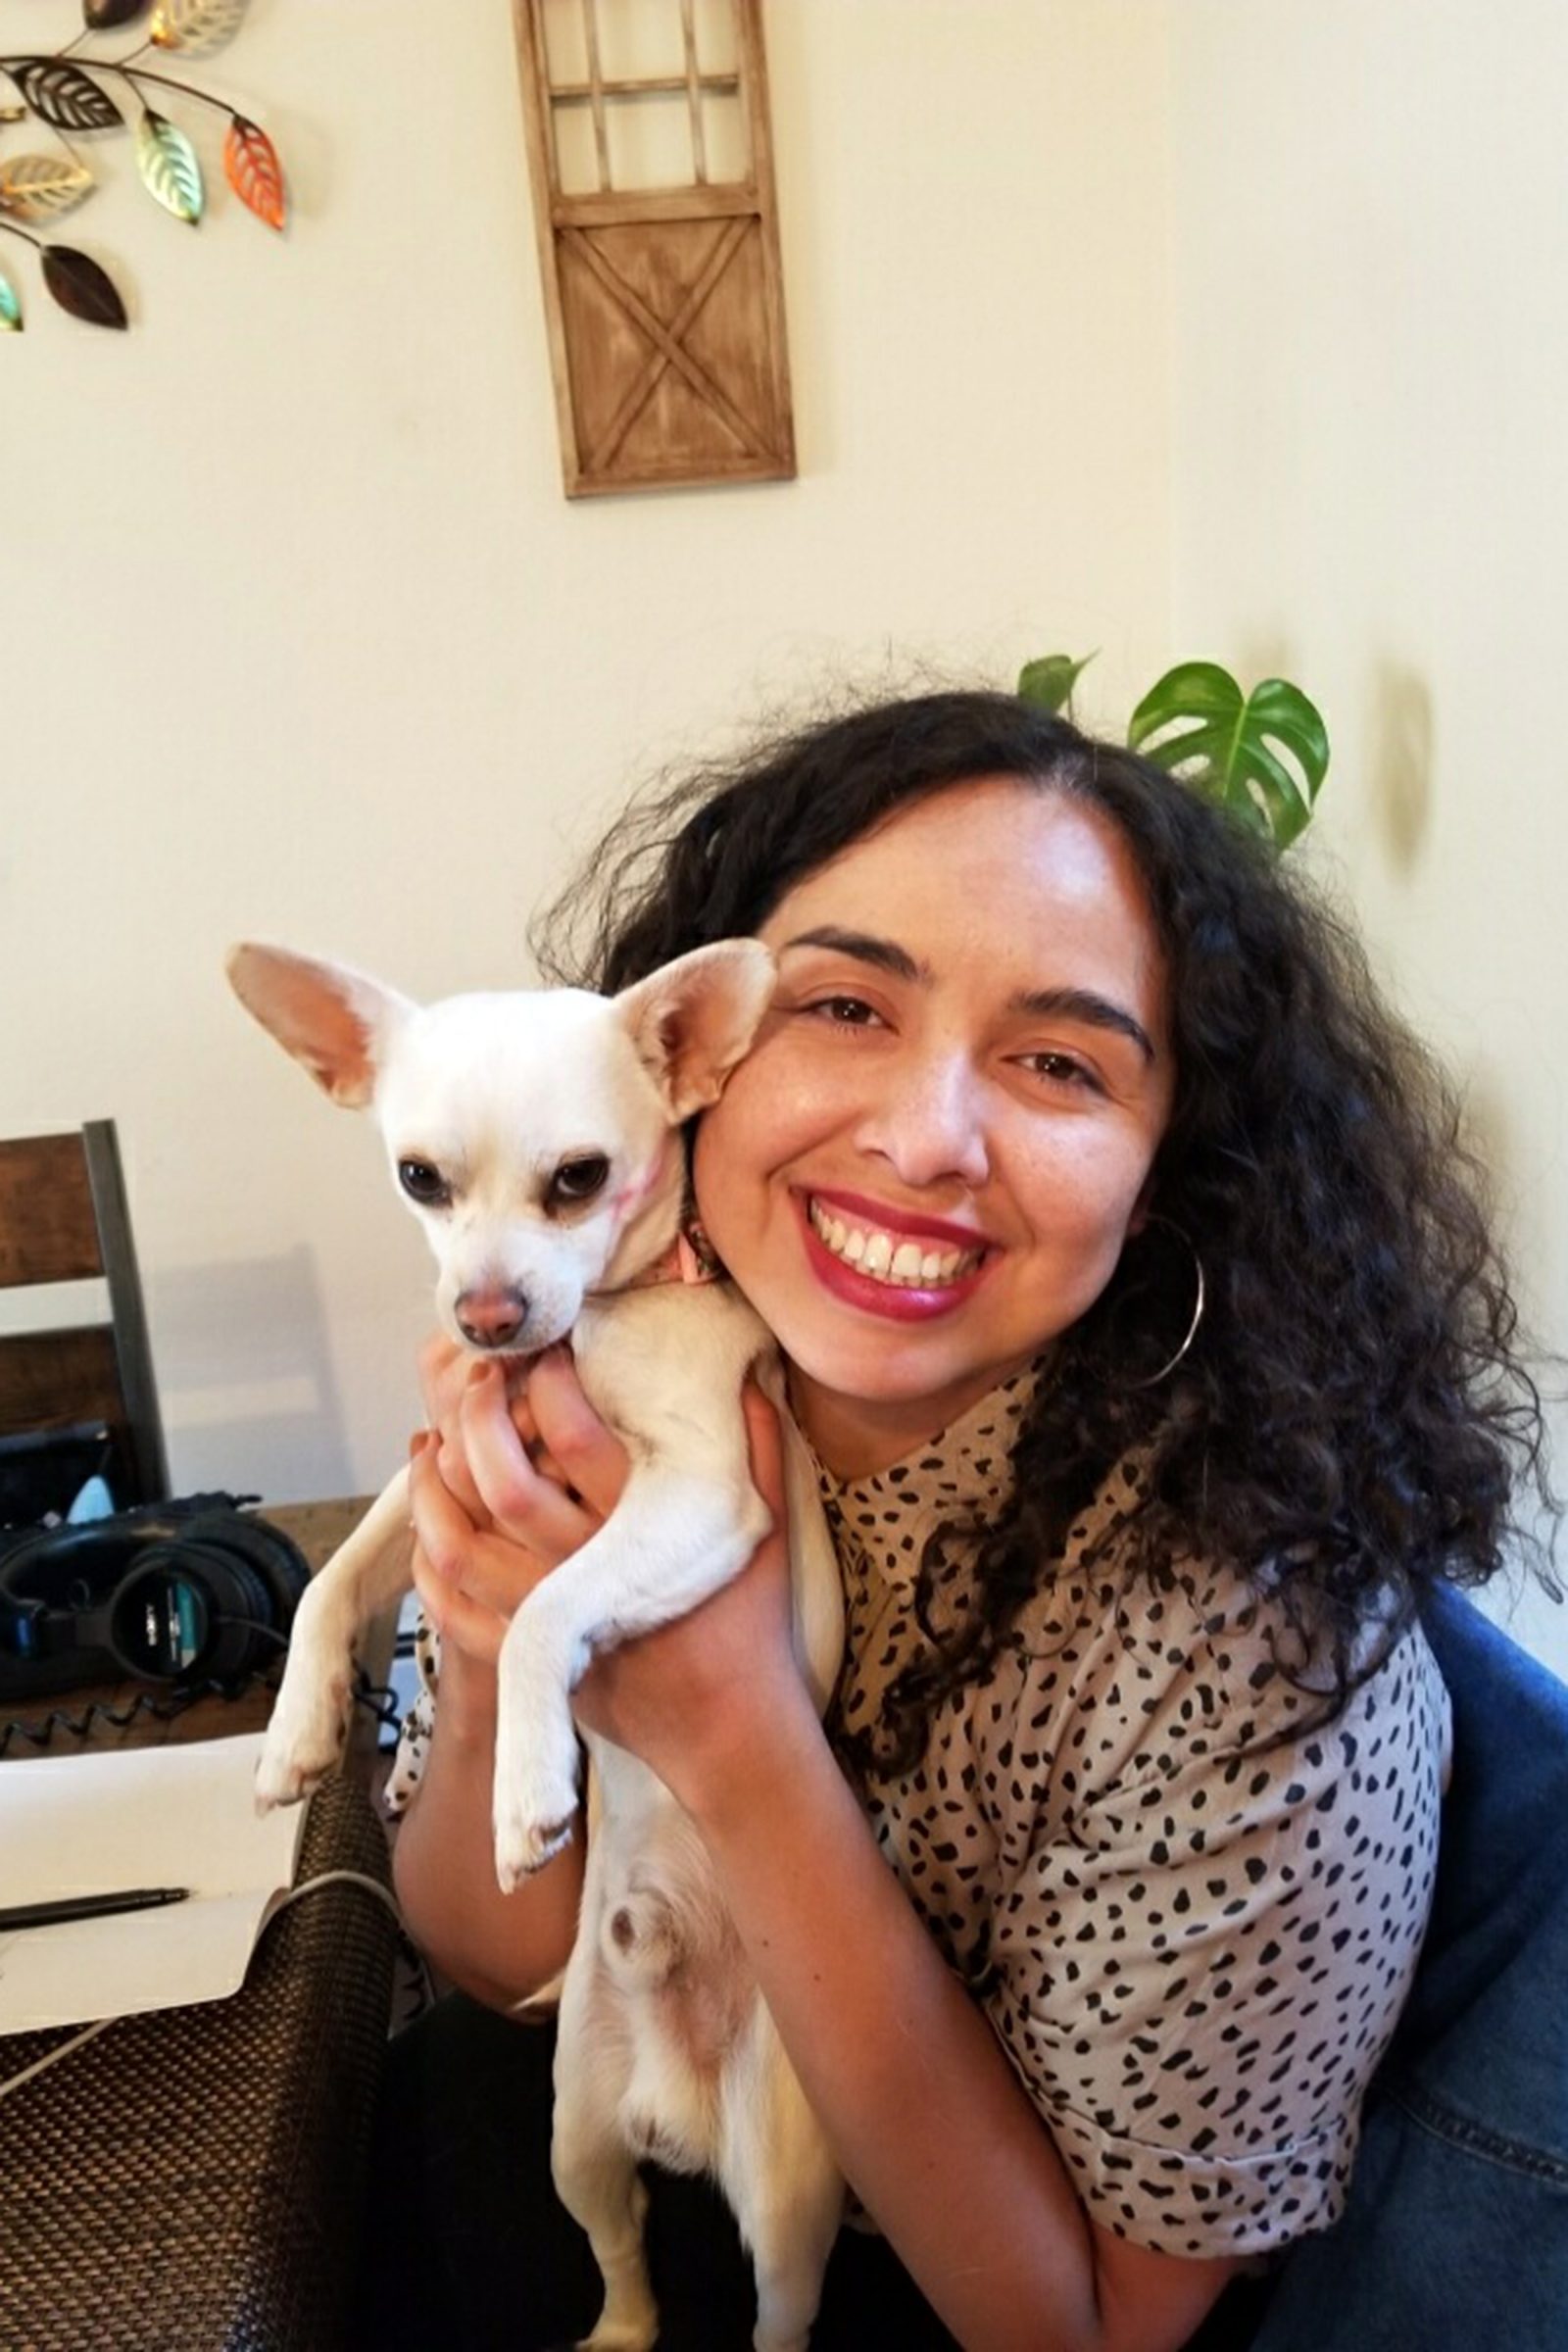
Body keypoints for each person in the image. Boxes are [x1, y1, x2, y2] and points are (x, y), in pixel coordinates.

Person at [355, 691, 1555, 2352]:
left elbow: (1089, 2329)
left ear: (1172, 1162)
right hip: (554, 2180)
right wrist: (495, 1667)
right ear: (686, 1052)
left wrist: (731, 1731)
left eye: (1059, 1061)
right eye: (844, 1005)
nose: (927, 1139)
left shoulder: (1256, 1642)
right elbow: (494, 1964)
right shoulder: (583, 1374)